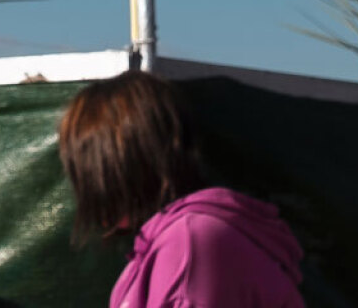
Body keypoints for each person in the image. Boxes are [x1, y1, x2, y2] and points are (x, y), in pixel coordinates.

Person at [58, 69, 305, 308]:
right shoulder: (162, 250)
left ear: (121, 166)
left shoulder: (189, 244)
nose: (84, 189)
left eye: (87, 171)